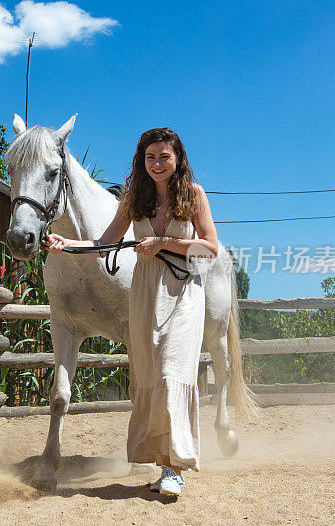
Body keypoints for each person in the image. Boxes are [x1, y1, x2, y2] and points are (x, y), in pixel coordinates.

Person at [45, 127, 219, 496]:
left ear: (178, 159)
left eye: (164, 156)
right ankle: (162, 462)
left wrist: (165, 243)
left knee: (172, 370)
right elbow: (104, 243)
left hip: (184, 292)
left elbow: (210, 248)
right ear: (142, 161)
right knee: (151, 374)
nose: (157, 163)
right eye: (150, 157)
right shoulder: (133, 200)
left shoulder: (194, 196)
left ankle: (174, 469)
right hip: (144, 293)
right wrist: (67, 244)